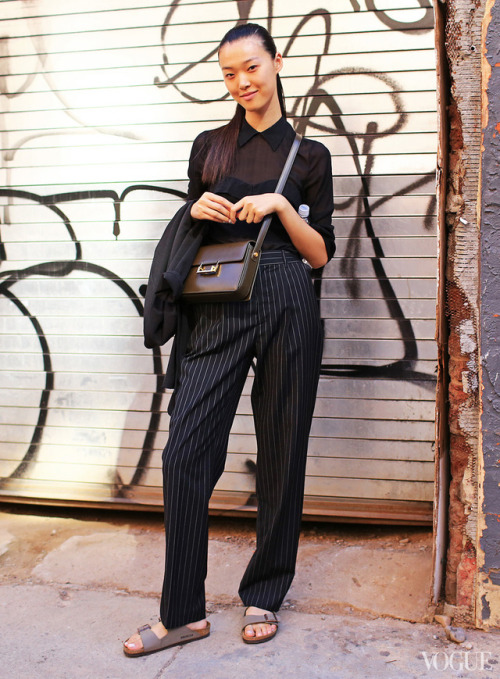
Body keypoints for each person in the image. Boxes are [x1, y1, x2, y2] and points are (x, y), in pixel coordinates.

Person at [124, 22, 334, 656]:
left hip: (287, 299)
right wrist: (196, 209)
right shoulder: (210, 146)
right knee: (185, 451)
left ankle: (265, 591)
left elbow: (320, 254)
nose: (242, 82)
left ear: (276, 62)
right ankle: (182, 611)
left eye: (251, 67)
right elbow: (191, 229)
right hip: (217, 299)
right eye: (229, 73)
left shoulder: (312, 157)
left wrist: (281, 208)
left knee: (280, 450)